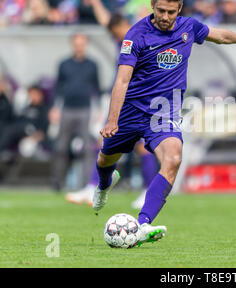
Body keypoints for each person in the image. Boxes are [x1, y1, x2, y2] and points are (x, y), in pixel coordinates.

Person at [92, 0, 236, 246]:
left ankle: (142, 225)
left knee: (173, 158)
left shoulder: (188, 27)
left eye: (171, 12)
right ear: (152, 5)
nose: (165, 17)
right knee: (105, 159)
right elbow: (122, 81)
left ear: (179, 8)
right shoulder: (135, 36)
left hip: (164, 112)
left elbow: (219, 35)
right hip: (131, 111)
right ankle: (104, 185)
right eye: (161, 10)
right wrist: (112, 119)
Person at [65, 13, 159, 209]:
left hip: (140, 101)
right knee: (104, 141)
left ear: (127, 24)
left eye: (118, 33)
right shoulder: (124, 43)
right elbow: (106, 20)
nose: (117, 38)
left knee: (144, 147)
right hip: (123, 100)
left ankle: (148, 192)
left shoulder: (145, 41)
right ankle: (93, 186)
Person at [50, 33, 101, 191]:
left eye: (82, 43)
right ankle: (58, 182)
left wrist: (98, 109)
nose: (79, 46)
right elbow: (58, 87)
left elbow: (97, 88)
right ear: (73, 44)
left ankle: (87, 184)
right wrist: (55, 107)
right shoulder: (64, 64)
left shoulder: (92, 65)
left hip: (85, 109)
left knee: (87, 148)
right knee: (61, 147)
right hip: (67, 109)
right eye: (77, 43)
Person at [0, 85, 49, 156]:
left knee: (12, 130)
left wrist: (36, 136)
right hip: (18, 131)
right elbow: (15, 119)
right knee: (7, 128)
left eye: (35, 94)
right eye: (31, 94)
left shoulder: (44, 109)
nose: (33, 96)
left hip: (32, 130)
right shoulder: (26, 107)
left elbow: (43, 129)